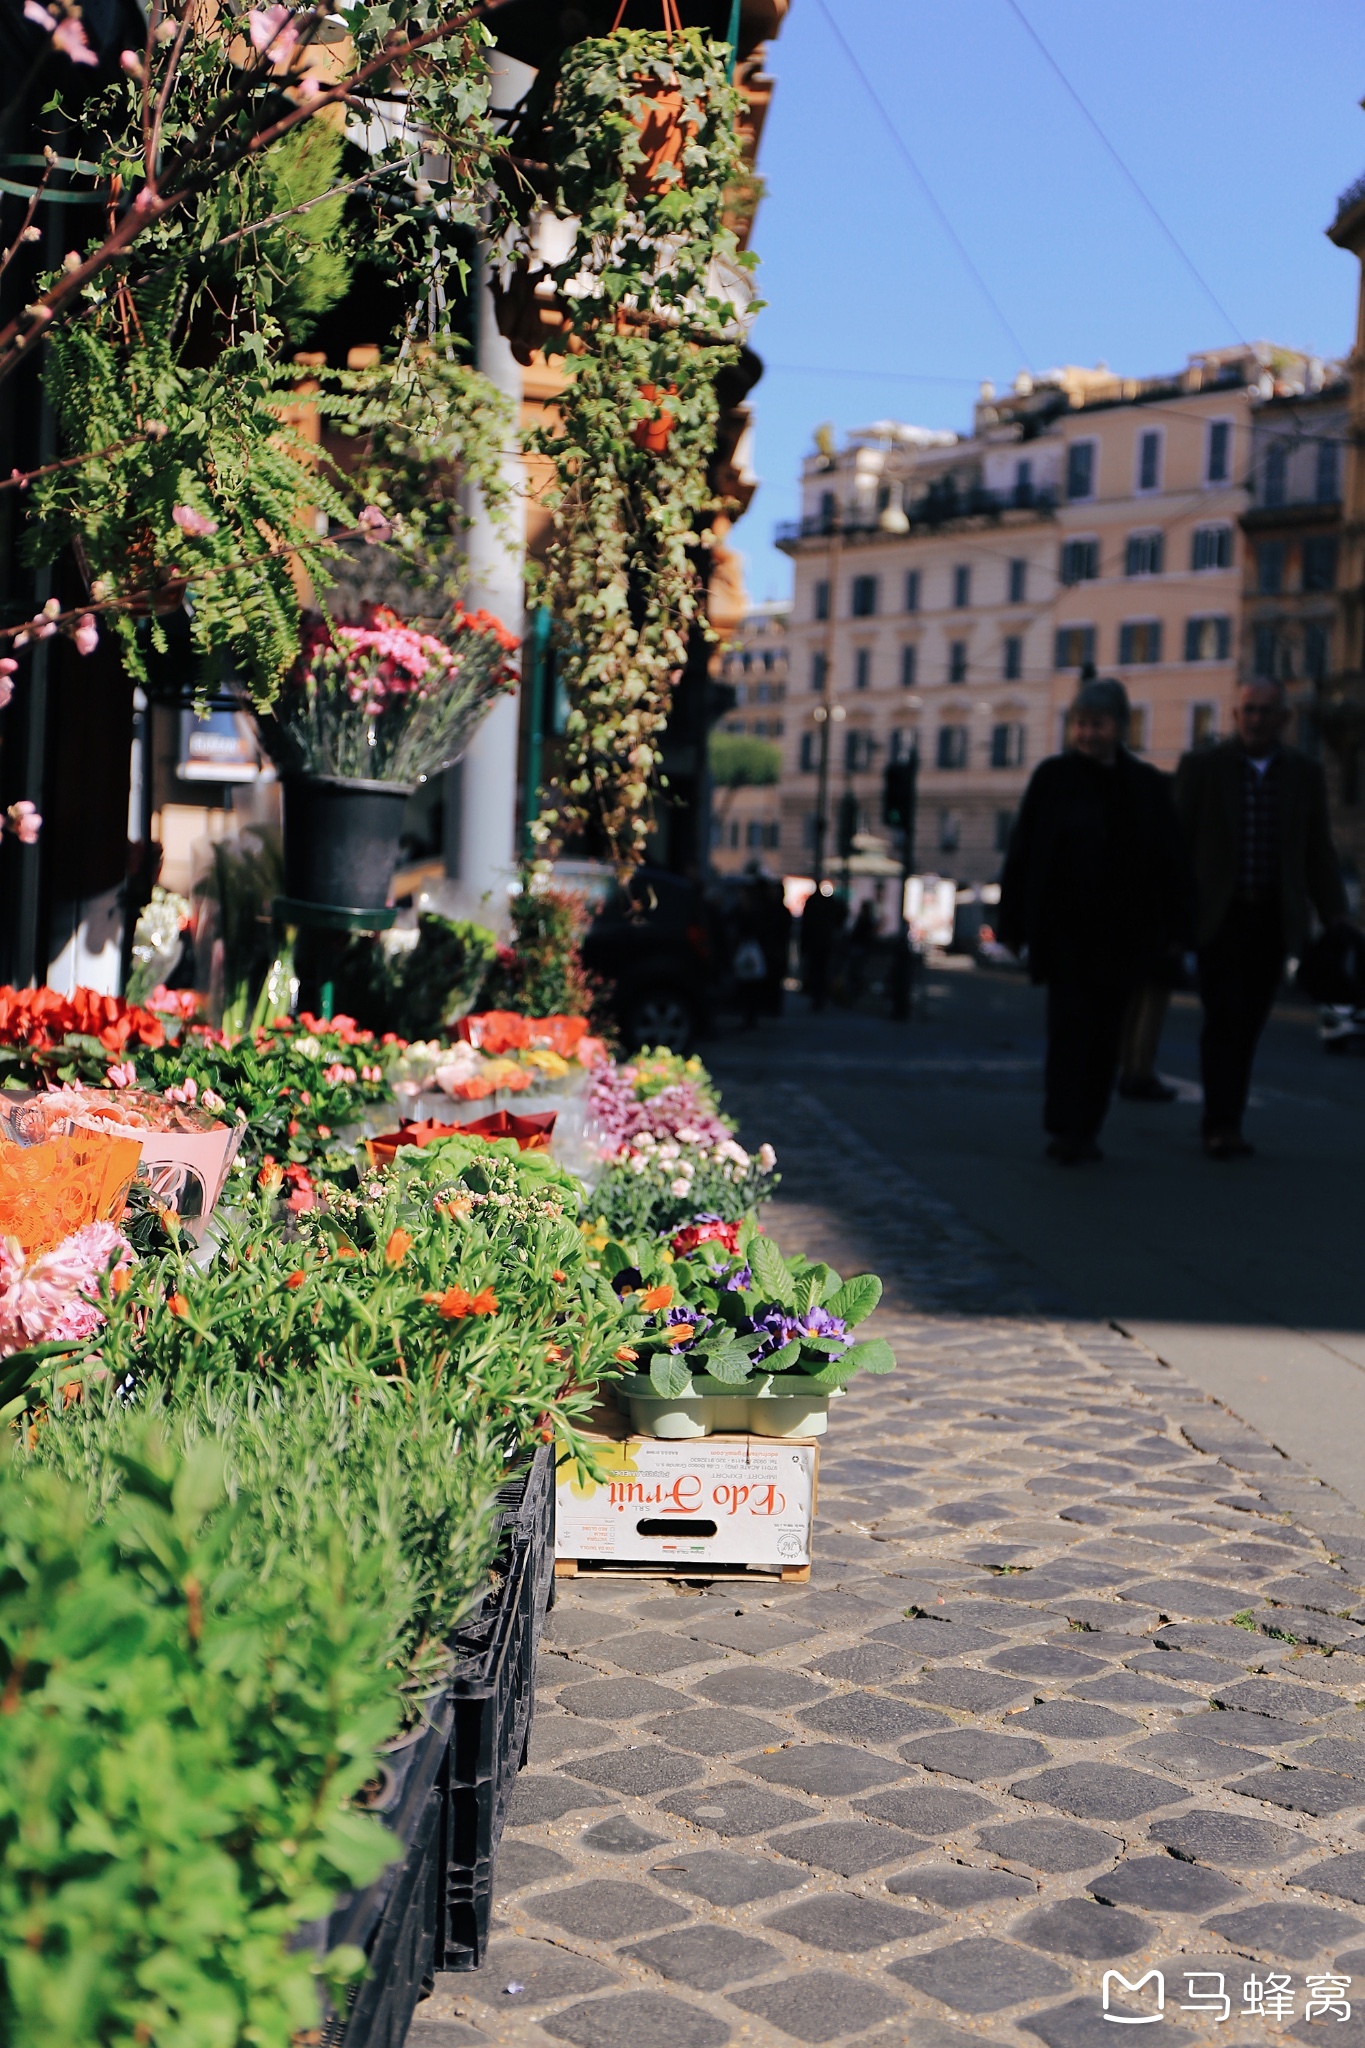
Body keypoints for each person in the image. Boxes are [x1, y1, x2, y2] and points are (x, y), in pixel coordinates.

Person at [999, 676, 1190, 1164]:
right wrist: (1014, 921)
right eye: (1080, 724)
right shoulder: (1053, 778)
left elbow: (1170, 859)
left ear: (1120, 727)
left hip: (1123, 935)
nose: (1087, 734)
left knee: (1106, 1037)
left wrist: (1172, 927)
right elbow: (1024, 852)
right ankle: (1065, 1126)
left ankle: (1087, 1127)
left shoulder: (1145, 785)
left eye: (1096, 724)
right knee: (1069, 1032)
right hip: (1067, 934)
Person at [1173, 677, 1347, 1160]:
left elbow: (1317, 851)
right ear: (1235, 716)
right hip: (1219, 917)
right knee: (1222, 1019)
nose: (1256, 720)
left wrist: (1335, 913)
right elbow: (1176, 845)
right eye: (1248, 710)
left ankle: (1229, 1118)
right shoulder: (1204, 768)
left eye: (1266, 711)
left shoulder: (1303, 774)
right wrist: (1171, 914)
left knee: (1248, 1023)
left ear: (1284, 719)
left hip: (1271, 918)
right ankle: (1220, 1123)